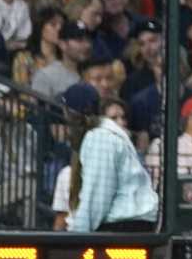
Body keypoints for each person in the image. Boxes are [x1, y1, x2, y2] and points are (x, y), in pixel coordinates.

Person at [65, 99, 159, 233]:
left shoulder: (101, 137)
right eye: (115, 117)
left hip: (124, 227)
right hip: (132, 226)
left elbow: (98, 197)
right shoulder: (108, 137)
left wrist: (78, 235)